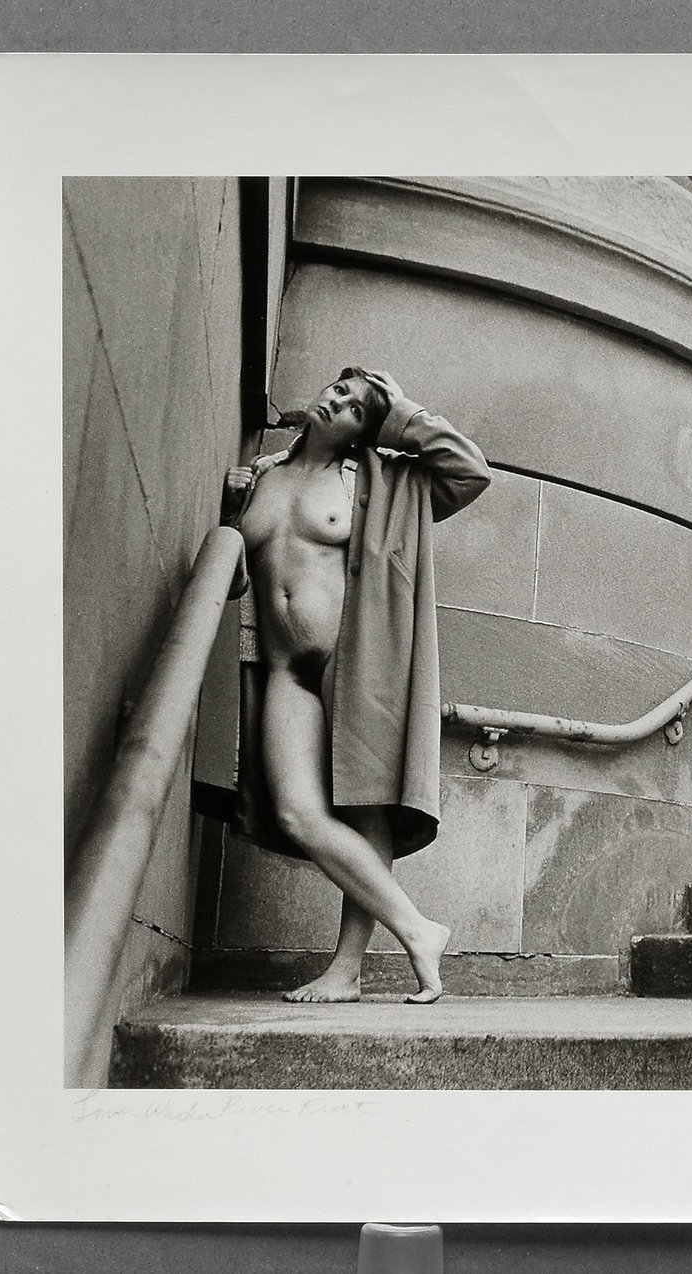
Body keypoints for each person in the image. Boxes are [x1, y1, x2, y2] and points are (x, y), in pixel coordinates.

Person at [221, 367, 491, 1004]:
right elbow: (233, 583)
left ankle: (347, 970)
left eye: (353, 406)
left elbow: (468, 472)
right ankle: (419, 930)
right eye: (336, 390)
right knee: (297, 813)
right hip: (285, 669)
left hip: (357, 661)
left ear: (365, 429)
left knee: (366, 806)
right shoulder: (261, 474)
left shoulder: (378, 479)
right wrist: (231, 516)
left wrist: (398, 411)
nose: (334, 400)